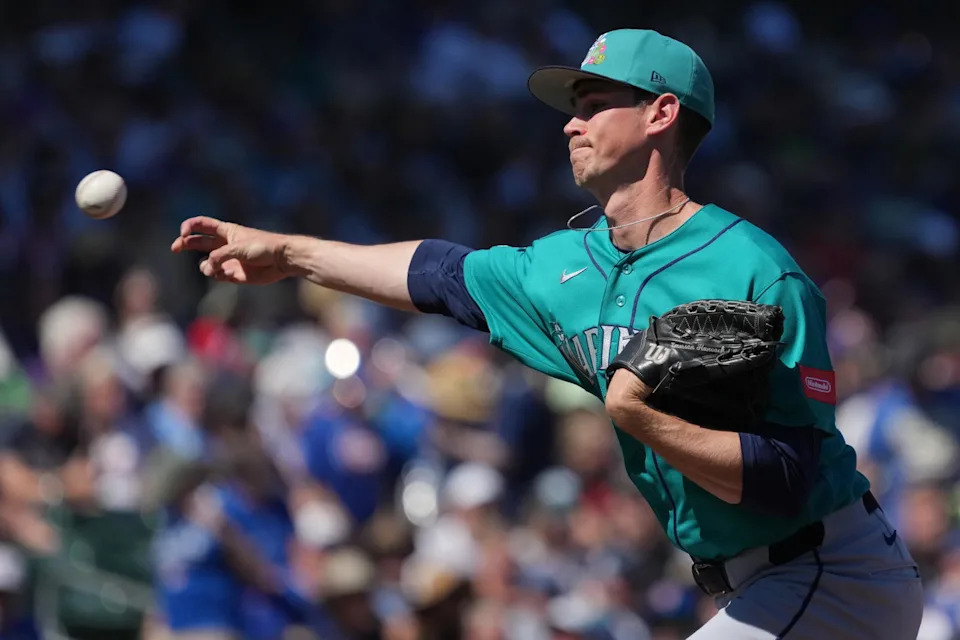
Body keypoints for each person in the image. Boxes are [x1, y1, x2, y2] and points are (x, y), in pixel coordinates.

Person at [172, 28, 923, 639]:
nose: (570, 121)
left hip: (832, 574)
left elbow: (790, 476)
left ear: (661, 114)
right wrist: (291, 253)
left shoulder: (752, 269)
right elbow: (436, 275)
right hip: (751, 584)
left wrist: (638, 415)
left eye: (595, 103)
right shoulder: (567, 266)